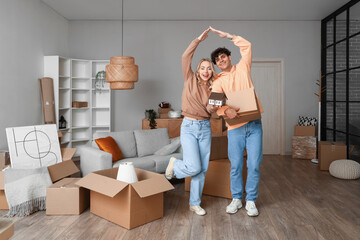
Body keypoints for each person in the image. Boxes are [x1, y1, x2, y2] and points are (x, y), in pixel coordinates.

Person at [209, 26, 263, 217]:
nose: (220, 60)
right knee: (237, 165)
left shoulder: (243, 67)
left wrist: (229, 36)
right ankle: (236, 199)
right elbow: (215, 105)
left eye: (222, 56)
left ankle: (250, 201)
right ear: (216, 64)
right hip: (235, 128)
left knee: (254, 164)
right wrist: (226, 110)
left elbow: (247, 46)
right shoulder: (218, 81)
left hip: (254, 125)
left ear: (229, 57)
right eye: (217, 60)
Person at [165, 28, 217, 216]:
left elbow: (212, 111)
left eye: (209, 68)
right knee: (193, 166)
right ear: (197, 69)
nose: (205, 70)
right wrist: (198, 40)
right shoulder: (189, 79)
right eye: (202, 67)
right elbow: (185, 56)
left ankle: (194, 203)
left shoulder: (214, 88)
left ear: (212, 72)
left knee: (201, 169)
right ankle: (175, 165)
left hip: (205, 127)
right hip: (188, 126)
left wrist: (214, 108)